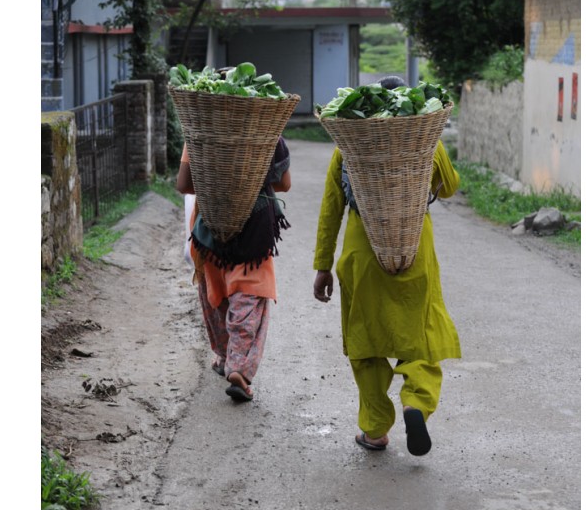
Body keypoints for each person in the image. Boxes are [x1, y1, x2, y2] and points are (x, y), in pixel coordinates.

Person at [312, 76, 460, 455]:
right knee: (421, 335)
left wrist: (323, 265)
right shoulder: (425, 140)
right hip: (413, 249)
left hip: (363, 254)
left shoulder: (349, 146)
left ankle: (375, 429)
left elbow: (332, 209)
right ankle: (415, 402)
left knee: (367, 342)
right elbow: (450, 187)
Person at [177, 137, 292, 403]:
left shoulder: (200, 127)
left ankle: (224, 355)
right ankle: (238, 367)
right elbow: (284, 184)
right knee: (249, 296)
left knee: (216, 293)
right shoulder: (267, 129)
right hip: (255, 226)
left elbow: (184, 185)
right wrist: (249, 180)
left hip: (212, 225)